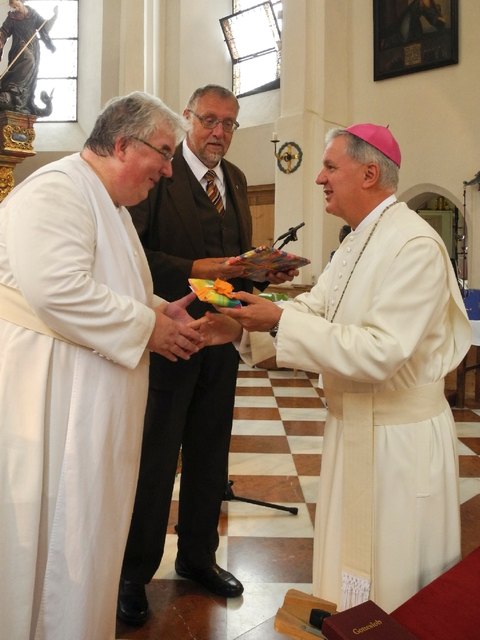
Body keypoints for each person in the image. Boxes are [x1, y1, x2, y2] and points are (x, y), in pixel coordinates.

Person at [196, 123, 472, 613]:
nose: (319, 178)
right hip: (353, 428)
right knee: (349, 559)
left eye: (329, 166)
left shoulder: (413, 244)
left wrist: (277, 320)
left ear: (369, 173)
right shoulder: (354, 242)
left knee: (397, 570)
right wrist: (245, 328)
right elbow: (315, 311)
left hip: (398, 440)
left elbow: (382, 352)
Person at [0, 91, 204, 640]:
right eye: (163, 152)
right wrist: (148, 329)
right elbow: (59, 291)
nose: (167, 169)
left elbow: (115, 287)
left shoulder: (108, 204)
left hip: (88, 403)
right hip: (50, 403)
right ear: (121, 144)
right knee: (56, 542)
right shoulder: (57, 190)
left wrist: (162, 311)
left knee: (86, 539)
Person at [117, 83, 297, 626]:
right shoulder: (161, 174)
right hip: (169, 338)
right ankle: (133, 571)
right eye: (209, 121)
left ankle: (198, 557)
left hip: (221, 339)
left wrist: (261, 272)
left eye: (229, 124)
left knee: (210, 454)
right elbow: (138, 256)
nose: (219, 133)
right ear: (188, 118)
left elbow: (236, 259)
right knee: (154, 458)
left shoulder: (237, 180)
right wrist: (205, 267)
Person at [0, 0, 57, 115]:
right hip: (19, 48)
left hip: (34, 48)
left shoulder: (32, 14)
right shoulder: (12, 18)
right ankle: (14, 90)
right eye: (13, 6)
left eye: (16, 5)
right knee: (28, 60)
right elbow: (4, 31)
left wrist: (55, 16)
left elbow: (44, 27)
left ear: (22, 1)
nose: (15, 8)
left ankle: (22, 98)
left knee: (30, 73)